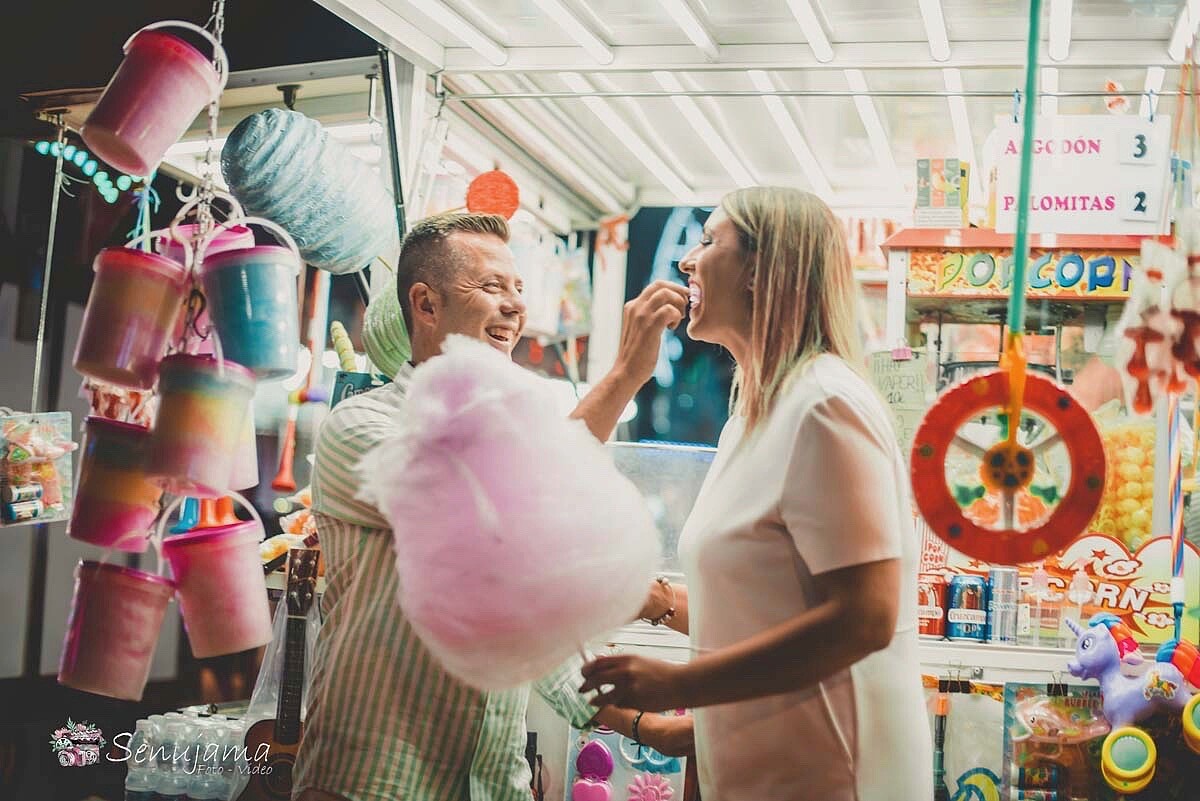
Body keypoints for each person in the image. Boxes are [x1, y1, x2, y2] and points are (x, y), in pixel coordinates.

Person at [293, 212, 693, 801]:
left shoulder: (513, 435)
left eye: (518, 289)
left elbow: (526, 617)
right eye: (491, 287)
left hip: (493, 783)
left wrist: (642, 723)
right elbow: (508, 520)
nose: (514, 307)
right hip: (375, 779)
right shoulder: (363, 427)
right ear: (426, 305)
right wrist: (628, 374)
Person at [579, 187, 932, 801]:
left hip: (833, 777)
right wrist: (654, 600)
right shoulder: (751, 414)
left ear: (760, 272)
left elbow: (865, 617)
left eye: (710, 242)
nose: (688, 262)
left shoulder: (824, 403)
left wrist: (678, 685)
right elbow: (770, 604)